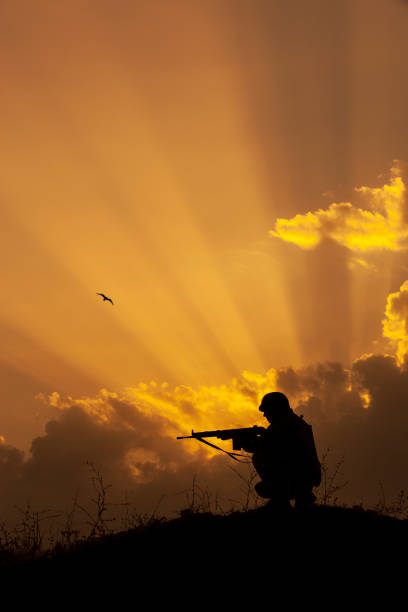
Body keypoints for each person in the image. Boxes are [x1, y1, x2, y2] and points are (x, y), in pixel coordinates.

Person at [243, 392, 321, 510]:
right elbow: (268, 444)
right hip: (305, 476)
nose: (264, 415)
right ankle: (299, 497)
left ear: (276, 409)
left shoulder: (285, 426)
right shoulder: (292, 423)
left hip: (298, 476)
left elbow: (266, 446)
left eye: (267, 410)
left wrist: (249, 441)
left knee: (259, 460)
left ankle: (283, 499)